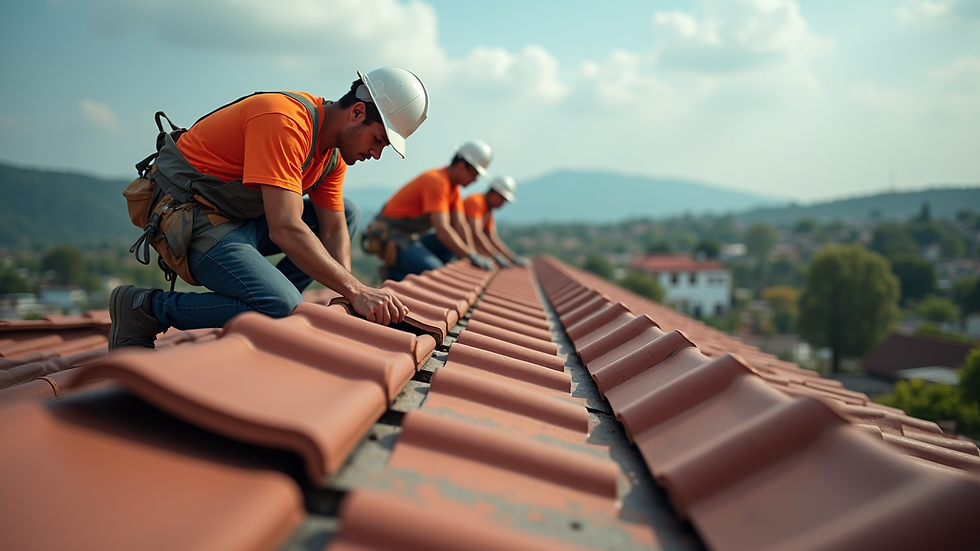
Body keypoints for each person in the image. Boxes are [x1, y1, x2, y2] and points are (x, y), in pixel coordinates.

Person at [110, 67, 429, 350]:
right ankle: (146, 308)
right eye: (378, 140)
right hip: (194, 221)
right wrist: (357, 290)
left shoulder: (331, 155)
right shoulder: (285, 121)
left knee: (347, 213)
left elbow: (333, 228)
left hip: (239, 221)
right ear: (357, 112)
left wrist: (349, 293)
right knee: (280, 304)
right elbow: (285, 227)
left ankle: (262, 299)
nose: (375, 154)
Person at [362, 140, 497, 281]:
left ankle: (414, 266)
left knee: (451, 248)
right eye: (474, 175)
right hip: (389, 235)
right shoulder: (437, 182)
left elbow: (461, 225)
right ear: (462, 166)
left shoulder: (453, 190)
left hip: (409, 237)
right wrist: (471, 256)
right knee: (434, 272)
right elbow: (443, 230)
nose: (475, 180)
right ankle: (393, 274)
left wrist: (471, 254)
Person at [462, 175, 529, 268]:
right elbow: (476, 233)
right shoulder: (476, 202)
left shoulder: (487, 211)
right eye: (502, 199)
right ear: (494, 192)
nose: (502, 204)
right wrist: (494, 255)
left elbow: (492, 238)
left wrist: (511, 257)